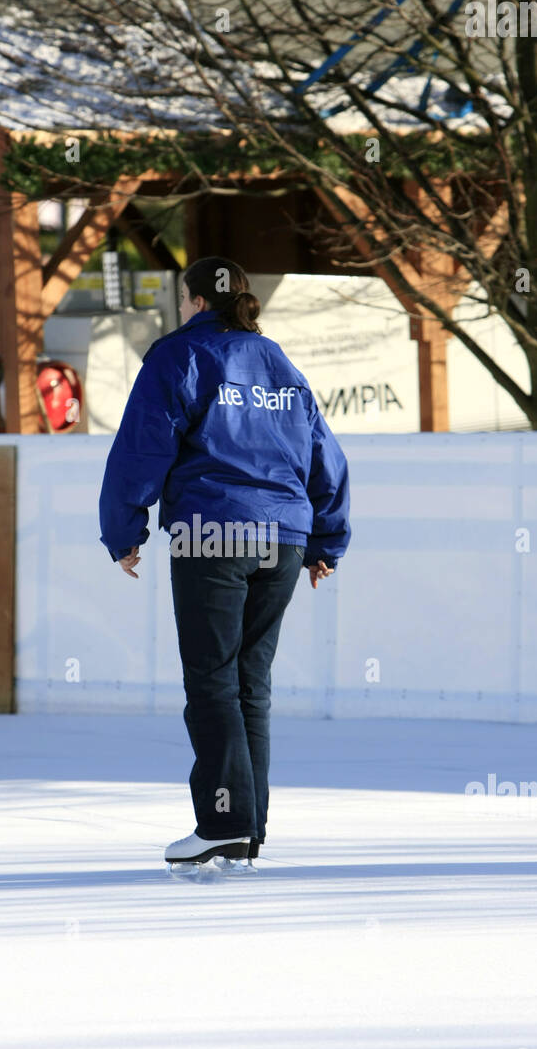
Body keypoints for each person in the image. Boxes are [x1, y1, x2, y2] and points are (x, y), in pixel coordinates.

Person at [99, 256, 351, 869]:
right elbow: (325, 453)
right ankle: (247, 828)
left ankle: (224, 821)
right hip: (285, 538)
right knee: (249, 685)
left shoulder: (180, 354)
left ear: (191, 300)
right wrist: (326, 541)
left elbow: (143, 442)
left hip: (213, 531)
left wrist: (124, 527)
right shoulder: (281, 365)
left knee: (213, 681)